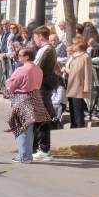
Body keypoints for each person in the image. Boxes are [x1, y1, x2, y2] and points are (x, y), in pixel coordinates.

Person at [5, 47, 49, 164]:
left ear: (27, 56)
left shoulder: (22, 69)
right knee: (29, 128)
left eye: (20, 55)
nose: (18, 57)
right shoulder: (38, 69)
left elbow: (11, 83)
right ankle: (27, 155)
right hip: (35, 98)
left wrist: (9, 88)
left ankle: (24, 156)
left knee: (22, 128)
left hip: (22, 98)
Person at [31, 26, 59, 161]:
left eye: (35, 37)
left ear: (40, 36)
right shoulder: (46, 50)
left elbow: (36, 67)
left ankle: (43, 149)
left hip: (42, 86)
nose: (34, 40)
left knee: (41, 118)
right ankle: (40, 148)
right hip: (42, 85)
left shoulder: (46, 50)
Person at [63, 35, 92, 129]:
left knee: (78, 106)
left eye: (74, 44)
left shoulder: (85, 56)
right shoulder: (74, 55)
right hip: (71, 83)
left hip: (79, 84)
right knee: (72, 106)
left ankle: (79, 125)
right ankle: (73, 124)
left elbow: (83, 72)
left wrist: (67, 70)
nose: (73, 45)